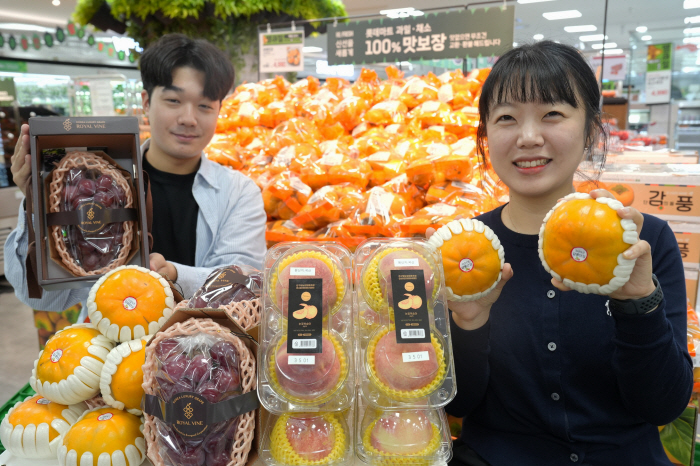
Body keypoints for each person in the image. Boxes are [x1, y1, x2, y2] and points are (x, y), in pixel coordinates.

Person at [441, 41, 692, 466]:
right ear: (485, 137)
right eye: (506, 118)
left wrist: (639, 306)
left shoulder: (642, 241)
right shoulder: (465, 246)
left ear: (591, 129)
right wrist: (468, 325)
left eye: (552, 114)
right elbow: (459, 405)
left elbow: (662, 405)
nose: (528, 137)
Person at [5, 34, 266, 320]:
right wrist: (35, 203)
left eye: (205, 106)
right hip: (107, 353)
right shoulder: (90, 185)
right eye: (174, 100)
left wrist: (175, 275)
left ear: (219, 111)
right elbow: (44, 299)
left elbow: (244, 283)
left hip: (202, 354)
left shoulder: (239, 192)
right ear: (146, 101)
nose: (189, 118)